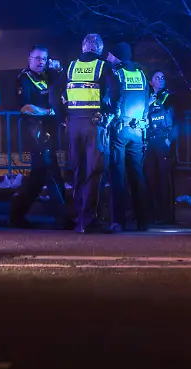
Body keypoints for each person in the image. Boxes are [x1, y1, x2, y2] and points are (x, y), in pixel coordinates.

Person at [52, 33, 120, 234]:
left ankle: (80, 218)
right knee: (94, 171)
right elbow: (116, 93)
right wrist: (108, 112)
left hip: (73, 124)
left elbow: (54, 93)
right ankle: (89, 221)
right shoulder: (103, 66)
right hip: (94, 124)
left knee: (78, 171)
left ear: (83, 47)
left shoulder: (70, 67)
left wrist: (62, 117)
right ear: (99, 48)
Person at [8, 45, 72, 230]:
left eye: (43, 59)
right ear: (29, 58)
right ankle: (63, 219)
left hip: (50, 132)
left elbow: (64, 86)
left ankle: (15, 216)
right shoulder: (24, 79)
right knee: (53, 175)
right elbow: (25, 107)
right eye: (37, 58)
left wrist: (59, 69)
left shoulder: (48, 75)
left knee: (37, 179)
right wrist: (49, 111)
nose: (40, 62)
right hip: (35, 133)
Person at [105, 41, 150, 231]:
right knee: (137, 176)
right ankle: (143, 221)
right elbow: (146, 100)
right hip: (138, 130)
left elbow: (112, 98)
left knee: (117, 175)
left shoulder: (116, 73)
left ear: (117, 56)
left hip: (120, 130)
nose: (107, 58)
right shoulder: (140, 74)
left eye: (110, 55)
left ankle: (118, 221)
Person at [144, 70, 177, 224]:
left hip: (164, 142)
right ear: (151, 82)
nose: (161, 80)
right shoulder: (146, 98)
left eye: (163, 77)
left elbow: (176, 121)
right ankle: (151, 214)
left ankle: (167, 216)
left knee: (165, 179)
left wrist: (170, 139)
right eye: (157, 77)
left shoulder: (170, 97)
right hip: (149, 142)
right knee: (150, 178)